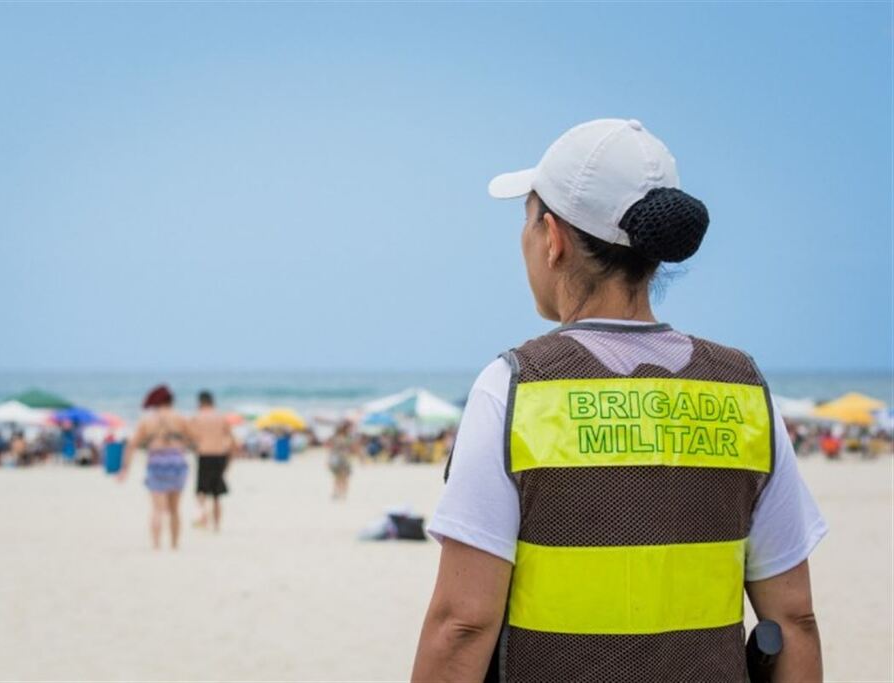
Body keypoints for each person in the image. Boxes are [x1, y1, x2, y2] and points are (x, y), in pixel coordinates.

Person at [412, 119, 827, 682]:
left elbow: (461, 624)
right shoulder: (741, 389)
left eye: (528, 220)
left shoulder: (517, 386)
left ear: (553, 238)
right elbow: (794, 619)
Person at [118, 385, 191, 550]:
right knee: (174, 509)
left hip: (156, 461)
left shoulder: (147, 420)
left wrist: (125, 469)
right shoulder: (179, 417)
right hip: (176, 460)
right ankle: (174, 545)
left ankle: (156, 545)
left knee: (157, 509)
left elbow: (132, 445)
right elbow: (192, 438)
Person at [190, 390, 235, 531]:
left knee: (201, 491)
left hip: (204, 455)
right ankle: (216, 525)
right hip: (219, 456)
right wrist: (229, 460)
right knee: (217, 495)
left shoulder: (197, 418)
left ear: (200, 402)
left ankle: (202, 517)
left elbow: (191, 439)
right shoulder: (221, 418)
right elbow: (232, 441)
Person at [328, 421, 356, 500]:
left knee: (342, 477)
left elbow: (354, 448)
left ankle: (341, 493)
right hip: (341, 458)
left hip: (343, 459)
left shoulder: (343, 437)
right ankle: (339, 493)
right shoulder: (341, 437)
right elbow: (331, 449)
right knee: (339, 477)